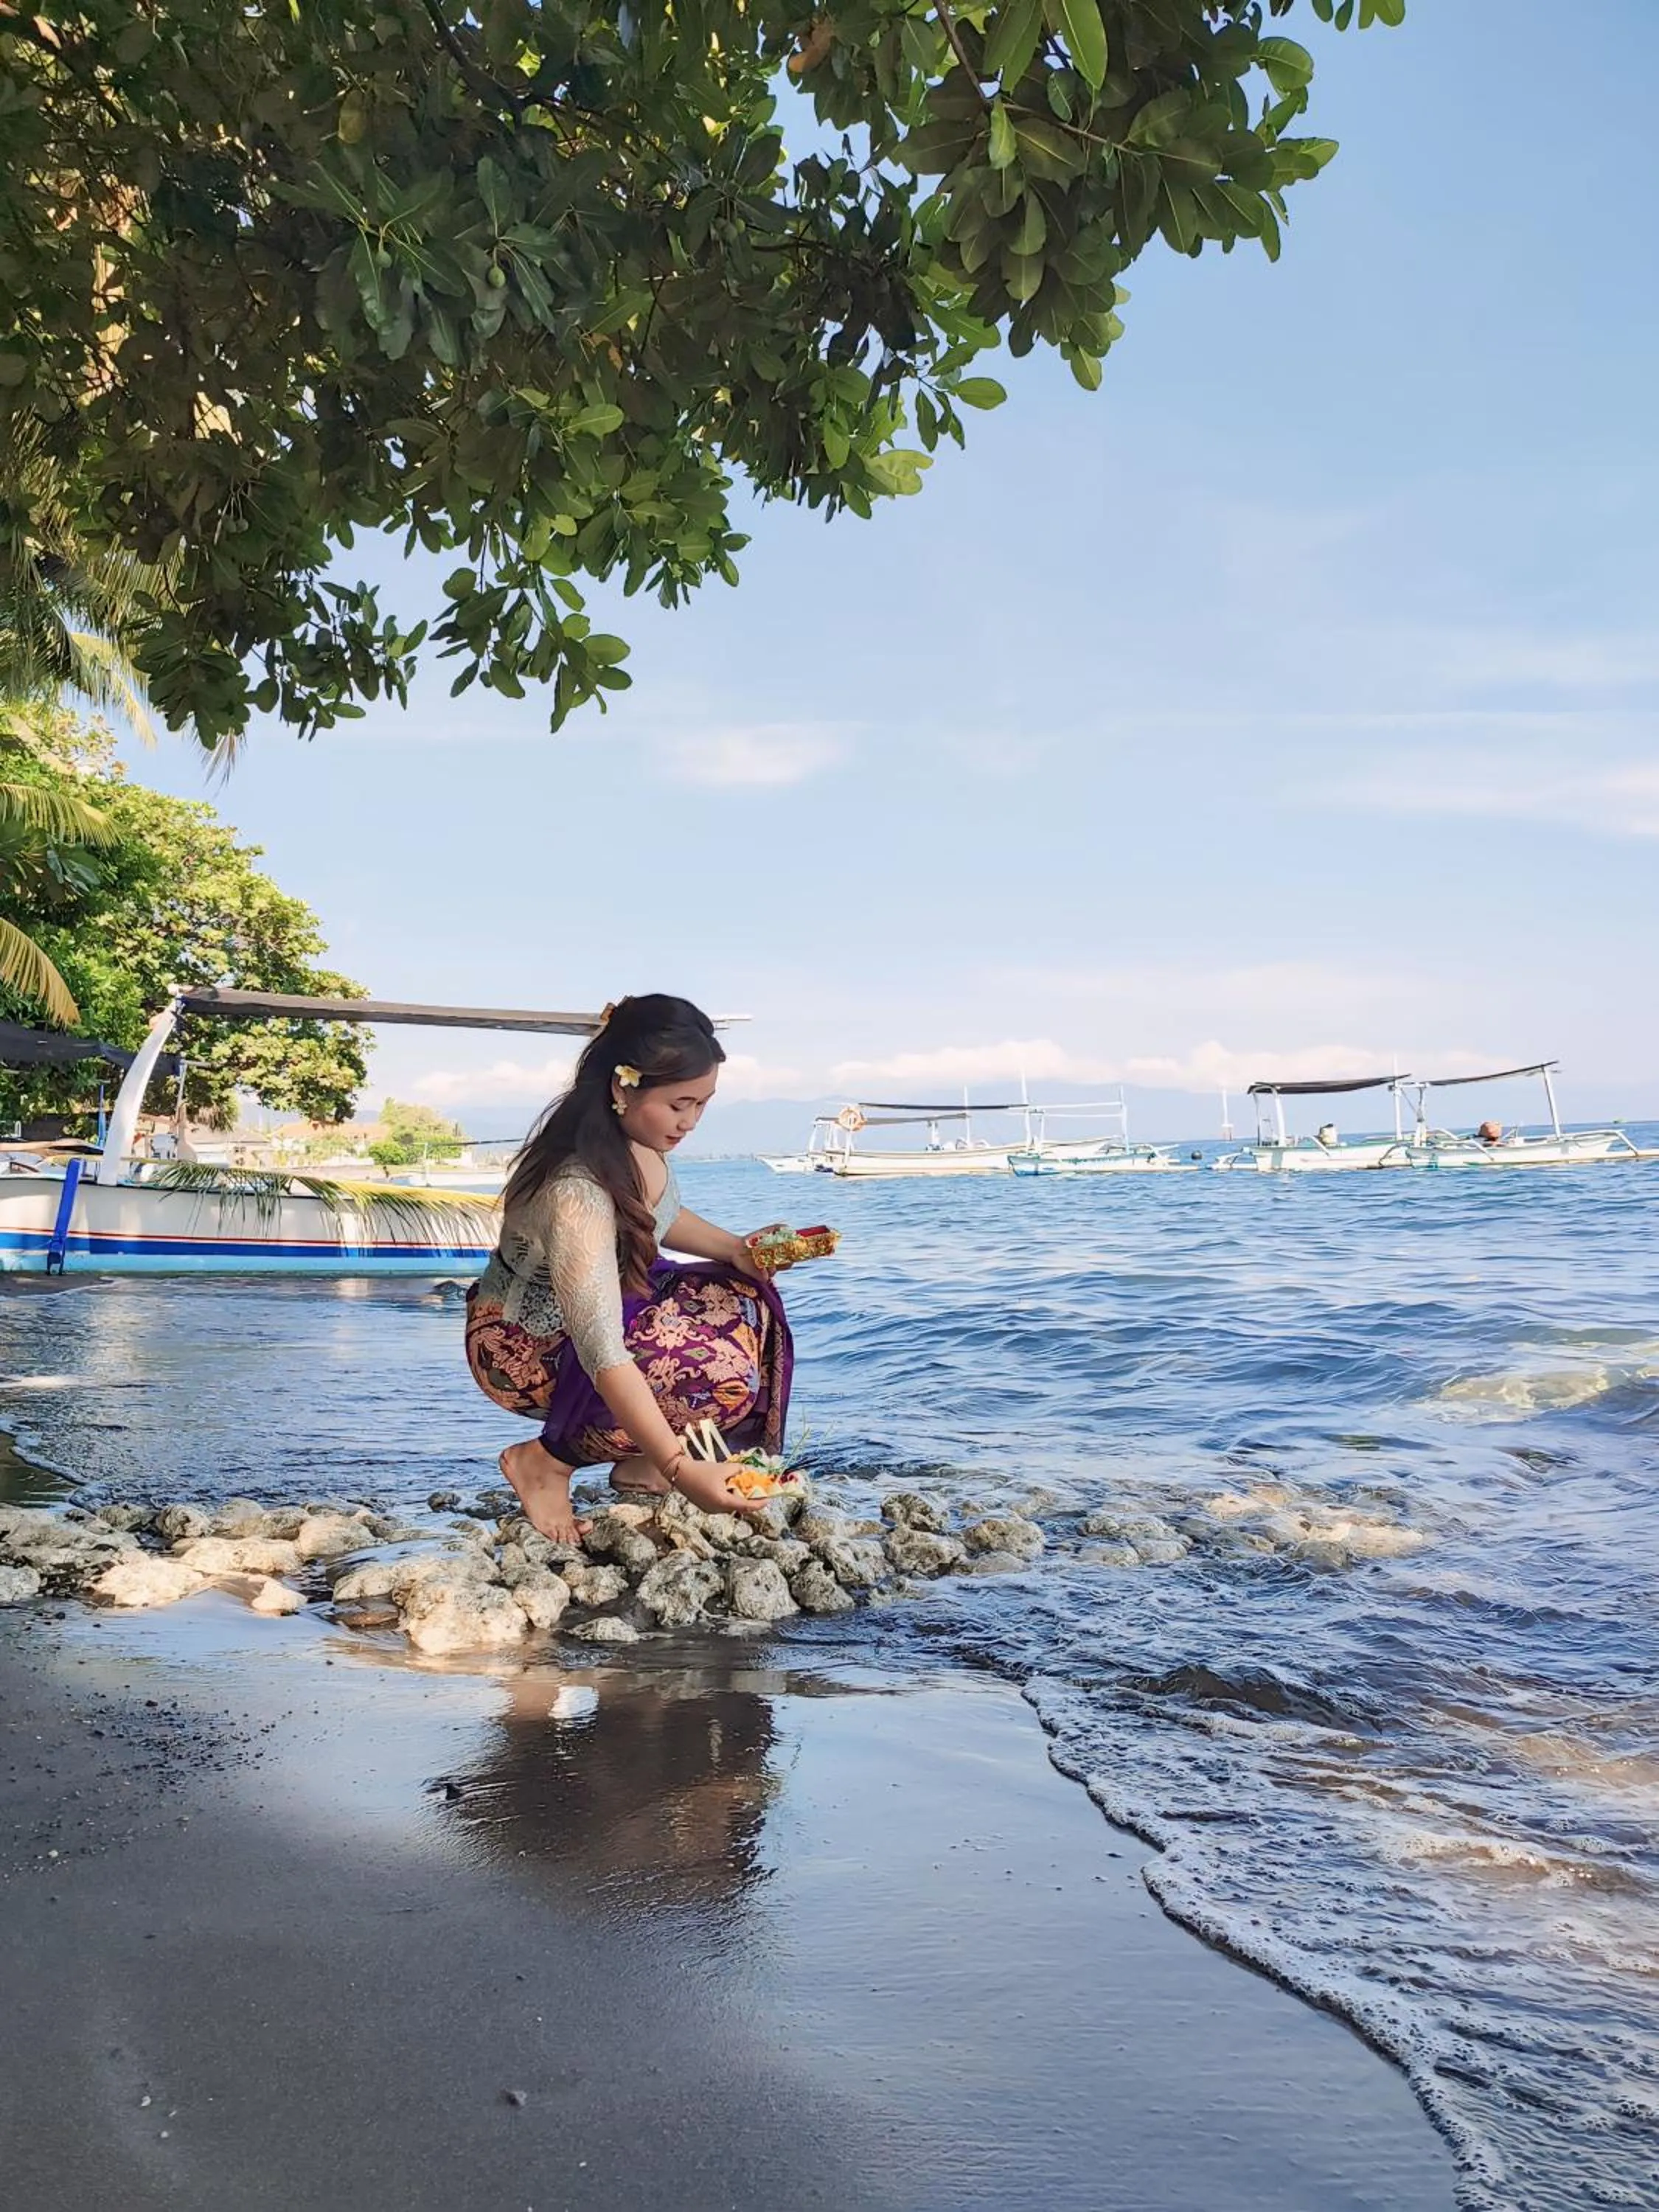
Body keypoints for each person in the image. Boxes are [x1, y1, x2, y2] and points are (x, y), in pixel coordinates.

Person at [464, 994, 794, 1543]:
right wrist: (681, 1471)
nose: (690, 1122)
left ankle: (640, 1460)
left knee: (744, 1298)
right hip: (523, 1345)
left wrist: (736, 1249)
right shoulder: (576, 1193)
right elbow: (602, 1351)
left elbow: (657, 1215)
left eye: (703, 1104)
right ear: (622, 1088)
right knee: (716, 1374)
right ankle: (546, 1463)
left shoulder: (630, 1139)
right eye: (679, 1104)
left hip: (596, 1312)